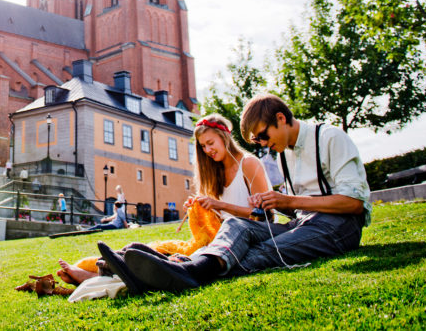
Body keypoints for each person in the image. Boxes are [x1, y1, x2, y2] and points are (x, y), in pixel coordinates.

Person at [98, 94, 371, 296]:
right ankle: (175, 269)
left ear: (280, 118)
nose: (262, 145)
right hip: (303, 223)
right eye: (256, 141)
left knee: (262, 252)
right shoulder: (286, 152)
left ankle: (175, 270)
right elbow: (296, 208)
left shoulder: (330, 138)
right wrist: (275, 201)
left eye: (263, 136)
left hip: (339, 227)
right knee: (235, 225)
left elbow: (355, 204)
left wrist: (286, 200)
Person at [58, 115, 269, 285]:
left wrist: (218, 204)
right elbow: (220, 219)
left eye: (210, 143)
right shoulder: (216, 173)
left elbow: (265, 216)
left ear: (225, 137)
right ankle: (105, 265)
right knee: (156, 249)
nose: (207, 150)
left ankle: (98, 276)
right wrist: (203, 208)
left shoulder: (249, 164)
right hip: (222, 237)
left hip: (248, 237)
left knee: (173, 260)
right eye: (203, 147)